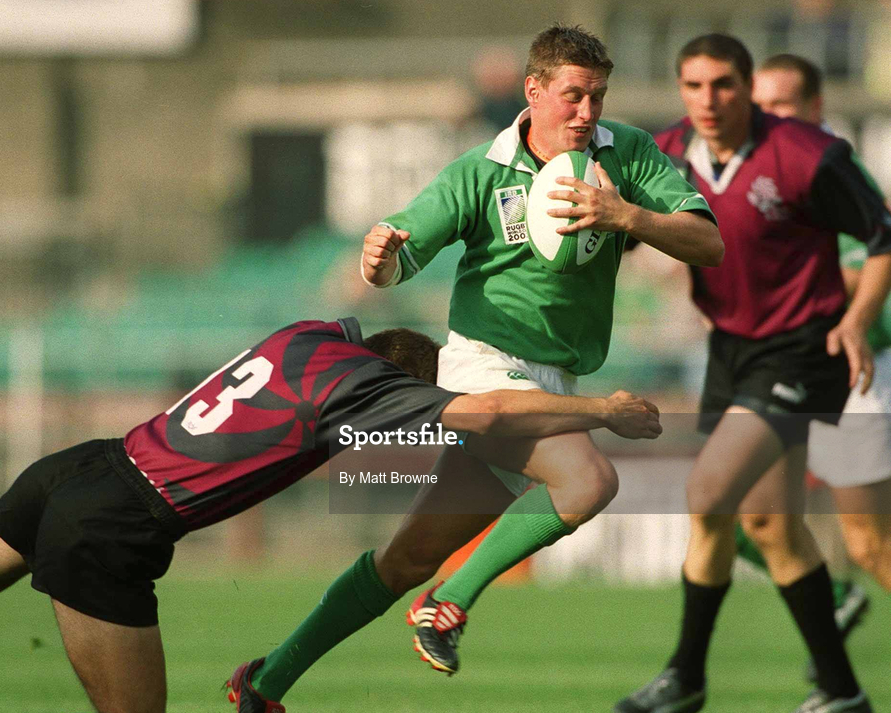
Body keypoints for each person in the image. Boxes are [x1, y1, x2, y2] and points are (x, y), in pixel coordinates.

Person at [227, 23, 722, 713]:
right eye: (573, 96)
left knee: (401, 560)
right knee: (589, 479)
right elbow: (402, 249)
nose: (587, 112)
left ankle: (265, 681)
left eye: (597, 97)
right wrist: (381, 258)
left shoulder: (628, 153)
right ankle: (450, 601)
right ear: (534, 90)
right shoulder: (479, 172)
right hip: (483, 371)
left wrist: (626, 214)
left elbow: (709, 242)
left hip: (556, 379)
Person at [0, 317, 662, 713]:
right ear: (397, 379)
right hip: (114, 526)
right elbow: (483, 410)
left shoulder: (309, 336)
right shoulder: (370, 387)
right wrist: (601, 408)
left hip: (80, 465)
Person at [616, 35, 891, 713]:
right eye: (694, 85)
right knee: (769, 524)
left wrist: (856, 320)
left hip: (803, 348)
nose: (707, 100)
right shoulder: (666, 149)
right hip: (731, 349)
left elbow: (883, 236)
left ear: (746, 86)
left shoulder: (805, 153)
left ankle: (684, 677)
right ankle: (841, 690)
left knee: (709, 492)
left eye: (723, 85)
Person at [751, 50, 890, 680]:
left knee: (870, 544)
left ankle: (838, 603)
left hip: (854, 371)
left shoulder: (831, 170)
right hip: (795, 368)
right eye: (762, 105)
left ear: (815, 109)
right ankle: (834, 603)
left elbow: (866, 263)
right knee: (731, 504)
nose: (768, 115)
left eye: (782, 104)